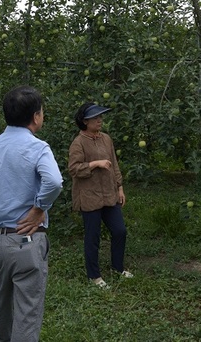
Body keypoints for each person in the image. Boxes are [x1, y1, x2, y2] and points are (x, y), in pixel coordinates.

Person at [0, 85, 63, 342]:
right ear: (36, 116)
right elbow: (55, 182)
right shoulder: (38, 148)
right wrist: (39, 208)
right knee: (27, 308)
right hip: (26, 238)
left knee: (1, 299)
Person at [68, 102, 133, 289]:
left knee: (120, 230)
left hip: (109, 194)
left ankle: (117, 268)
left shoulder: (106, 138)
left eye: (101, 117)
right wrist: (94, 164)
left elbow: (114, 163)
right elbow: (73, 169)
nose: (100, 120)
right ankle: (94, 276)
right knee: (93, 236)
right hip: (90, 197)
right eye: (95, 118)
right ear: (85, 121)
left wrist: (119, 187)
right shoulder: (78, 143)